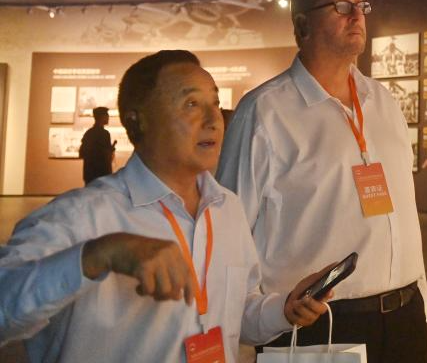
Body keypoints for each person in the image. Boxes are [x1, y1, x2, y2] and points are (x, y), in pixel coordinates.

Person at [0, 50, 329, 362]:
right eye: (191, 104)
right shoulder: (82, 216)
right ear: (138, 120)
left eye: (215, 103)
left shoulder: (226, 208)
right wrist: (95, 256)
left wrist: (284, 309)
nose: (214, 119)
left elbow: (238, 312)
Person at [216, 0, 427, 363]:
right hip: (319, 326)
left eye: (361, 6)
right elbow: (230, 236)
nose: (357, 15)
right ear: (302, 26)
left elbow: (404, 214)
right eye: (341, 7)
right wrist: (261, 318)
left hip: (405, 320)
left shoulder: (383, 102)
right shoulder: (265, 112)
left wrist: (421, 301)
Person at [79, 106, 115, 184]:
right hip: (101, 173)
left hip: (90, 174)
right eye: (106, 115)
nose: (108, 117)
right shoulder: (105, 134)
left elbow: (82, 153)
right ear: (101, 117)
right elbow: (105, 155)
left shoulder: (89, 133)